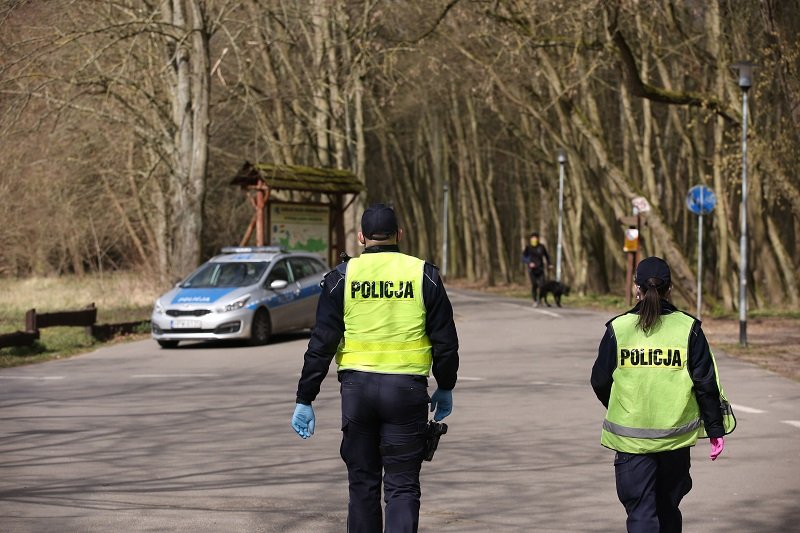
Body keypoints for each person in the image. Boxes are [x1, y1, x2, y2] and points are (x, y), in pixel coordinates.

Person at [291, 203, 459, 533]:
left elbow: (321, 343)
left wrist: (305, 397)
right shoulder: (424, 275)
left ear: (360, 237)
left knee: (363, 483)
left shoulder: (341, 278)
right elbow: (446, 341)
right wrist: (446, 384)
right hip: (407, 391)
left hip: (358, 391)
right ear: (399, 234)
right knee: (402, 485)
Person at [590, 256, 735, 533]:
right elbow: (705, 383)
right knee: (668, 508)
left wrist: (620, 404)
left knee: (641, 512)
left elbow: (599, 380)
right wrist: (715, 429)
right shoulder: (688, 329)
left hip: (631, 443)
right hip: (675, 441)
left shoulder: (618, 329)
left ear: (636, 288)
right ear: (670, 289)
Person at [522, 231, 551, 307]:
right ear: (531, 239)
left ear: (538, 239)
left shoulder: (541, 247)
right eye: (532, 238)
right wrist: (529, 262)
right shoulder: (528, 247)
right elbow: (524, 257)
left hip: (540, 269)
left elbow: (547, 256)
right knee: (534, 285)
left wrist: (549, 264)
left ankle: (541, 299)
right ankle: (535, 300)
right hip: (532, 270)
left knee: (542, 285)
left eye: (535, 238)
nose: (534, 239)